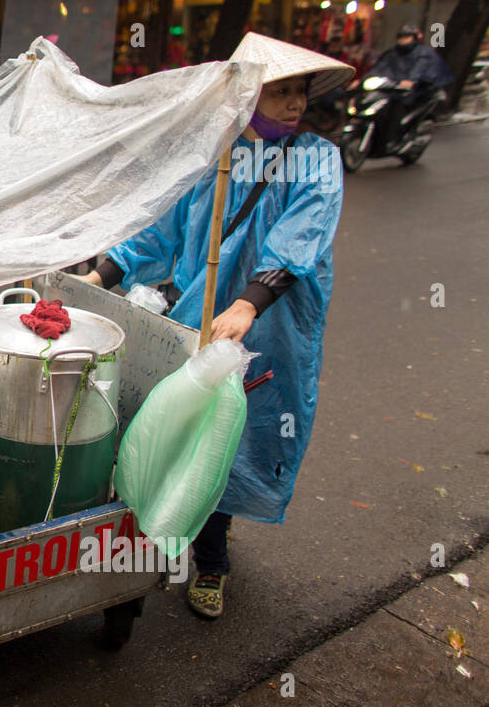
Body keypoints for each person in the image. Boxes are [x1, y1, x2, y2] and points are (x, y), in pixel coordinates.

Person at [76, 33, 354, 620]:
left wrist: (251, 304)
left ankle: (213, 563)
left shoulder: (317, 159)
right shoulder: (215, 154)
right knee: (175, 430)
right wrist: (101, 275)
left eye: (300, 91)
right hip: (196, 321)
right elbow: (161, 233)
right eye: (281, 91)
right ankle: (155, 538)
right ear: (249, 95)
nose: (295, 103)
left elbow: (299, 241)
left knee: (232, 440)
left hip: (271, 328)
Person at [359, 23, 453, 150]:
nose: (403, 40)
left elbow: (420, 68)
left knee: (397, 108)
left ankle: (393, 139)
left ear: (414, 38)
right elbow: (380, 68)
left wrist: (411, 81)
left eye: (407, 37)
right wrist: (362, 80)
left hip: (415, 92)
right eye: (401, 37)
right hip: (391, 88)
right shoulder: (392, 53)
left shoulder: (423, 53)